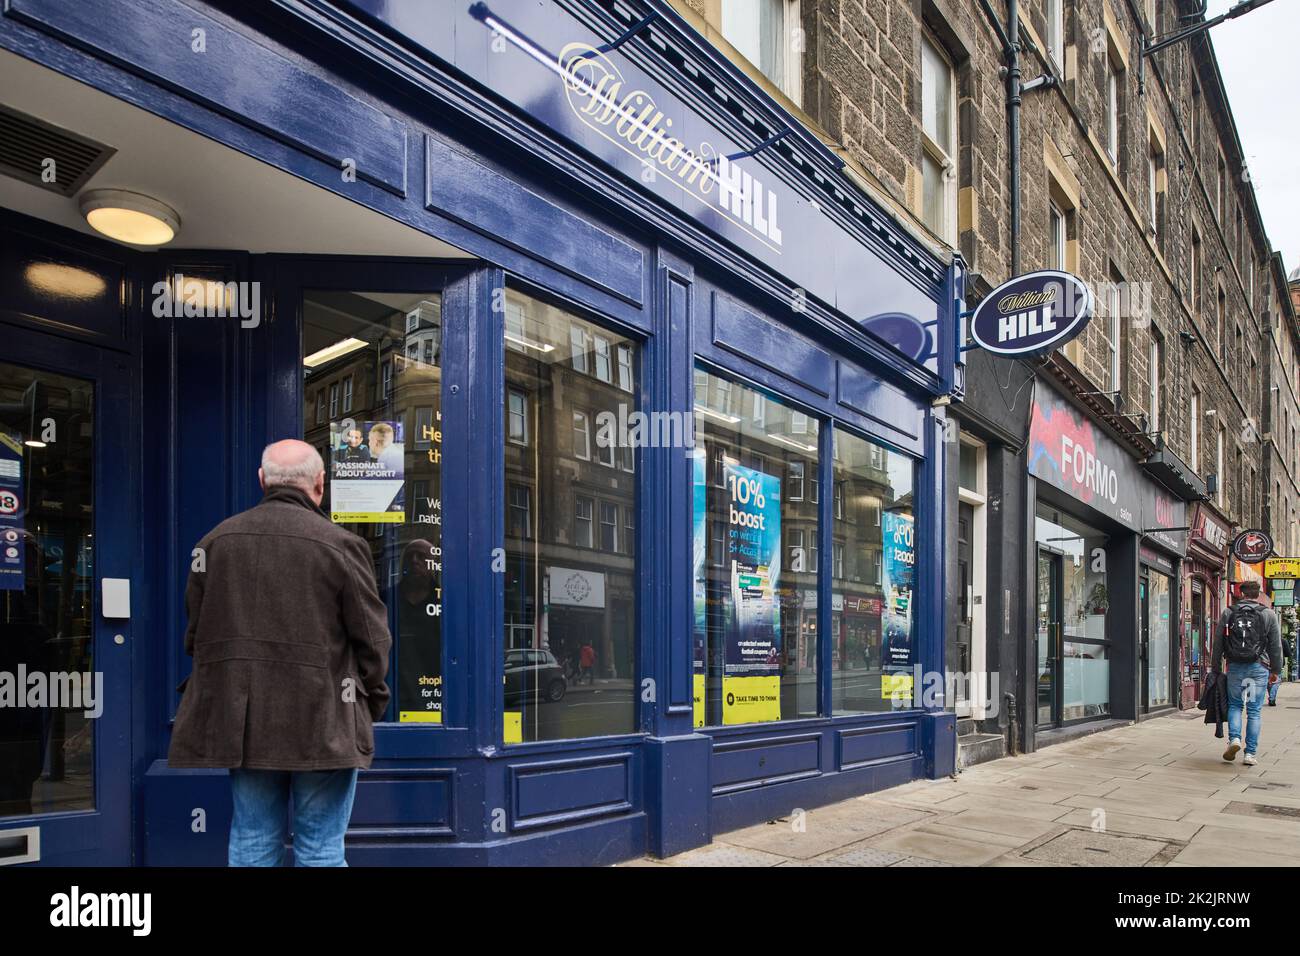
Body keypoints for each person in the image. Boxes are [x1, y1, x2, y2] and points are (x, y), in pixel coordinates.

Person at [168, 440, 392, 866]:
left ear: (262, 480)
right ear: (320, 484)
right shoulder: (342, 545)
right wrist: (369, 702)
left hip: (245, 722)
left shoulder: (214, 543)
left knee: (252, 840)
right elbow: (373, 640)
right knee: (321, 848)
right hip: (324, 719)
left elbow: (196, 634)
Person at [1212, 581, 1283, 766]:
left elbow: (1218, 642)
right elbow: (1276, 646)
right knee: (1254, 711)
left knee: (1235, 705)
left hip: (1235, 666)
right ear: (1258, 594)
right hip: (1259, 667)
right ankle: (1250, 753)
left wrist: (1215, 668)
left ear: (1241, 594)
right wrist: (1276, 670)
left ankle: (1234, 739)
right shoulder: (1268, 614)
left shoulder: (1229, 612)